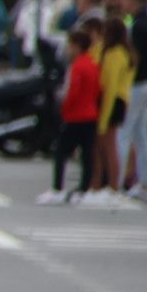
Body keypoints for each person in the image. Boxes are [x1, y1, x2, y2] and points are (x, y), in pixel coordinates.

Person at [38, 29, 100, 204]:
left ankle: (57, 188)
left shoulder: (78, 66)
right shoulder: (92, 64)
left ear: (77, 46)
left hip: (76, 116)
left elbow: (73, 93)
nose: (67, 49)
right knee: (87, 155)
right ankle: (84, 189)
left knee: (60, 152)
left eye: (70, 46)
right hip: (91, 114)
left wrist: (63, 110)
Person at [89, 15, 137, 205]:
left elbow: (110, 86)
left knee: (108, 144)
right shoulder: (114, 51)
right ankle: (98, 184)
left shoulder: (117, 54)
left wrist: (103, 117)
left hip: (114, 101)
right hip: (115, 100)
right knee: (100, 144)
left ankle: (113, 185)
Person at [118, 0, 147, 198]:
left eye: (125, 0)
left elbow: (134, 58)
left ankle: (115, 183)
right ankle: (146, 182)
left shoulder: (138, 26)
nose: (123, 4)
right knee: (141, 133)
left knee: (124, 131)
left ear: (133, 1)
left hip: (136, 83)